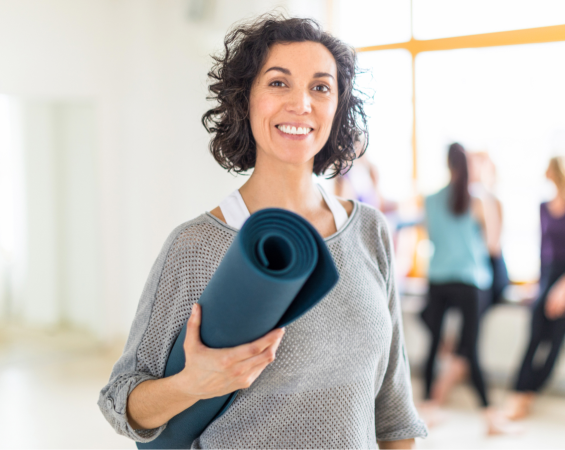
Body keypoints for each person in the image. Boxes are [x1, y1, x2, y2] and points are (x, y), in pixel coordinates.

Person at [98, 15, 427, 449]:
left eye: (320, 87)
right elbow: (121, 403)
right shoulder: (196, 246)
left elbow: (393, 410)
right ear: (245, 100)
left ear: (337, 106)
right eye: (278, 83)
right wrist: (192, 384)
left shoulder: (368, 230)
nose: (301, 103)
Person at [421, 143, 513, 434]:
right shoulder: (478, 198)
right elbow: (493, 245)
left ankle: (427, 409)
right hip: (471, 280)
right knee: (470, 349)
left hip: (438, 277)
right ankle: (489, 416)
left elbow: (431, 236)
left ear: (447, 164)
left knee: (433, 345)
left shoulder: (431, 200)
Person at [506, 156, 565, 420]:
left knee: (553, 347)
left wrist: (562, 288)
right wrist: (539, 285)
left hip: (563, 282)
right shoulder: (543, 207)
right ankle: (518, 397)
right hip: (547, 277)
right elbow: (543, 249)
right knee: (532, 341)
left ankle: (528, 395)